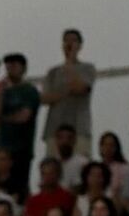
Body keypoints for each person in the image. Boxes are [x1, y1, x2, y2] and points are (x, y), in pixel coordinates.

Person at [41, 29, 97, 158]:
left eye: (73, 40)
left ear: (80, 45)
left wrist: (70, 62)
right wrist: (67, 91)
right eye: (66, 40)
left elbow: (80, 88)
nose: (69, 43)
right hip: (54, 129)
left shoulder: (88, 68)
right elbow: (44, 99)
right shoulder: (53, 72)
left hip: (79, 128)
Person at [0, 53, 41, 190]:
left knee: (19, 187)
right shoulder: (4, 91)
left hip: (22, 148)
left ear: (23, 68)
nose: (10, 70)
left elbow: (24, 117)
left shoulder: (29, 90)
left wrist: (4, 118)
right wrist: (0, 92)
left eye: (14, 66)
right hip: (3, 147)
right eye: (8, 67)